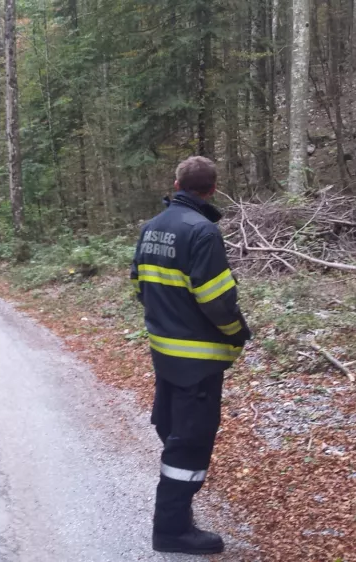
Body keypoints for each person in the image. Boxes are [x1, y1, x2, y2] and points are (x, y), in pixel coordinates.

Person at [130, 156, 251, 555]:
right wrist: (238, 334)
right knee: (190, 443)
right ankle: (172, 530)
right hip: (197, 360)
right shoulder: (202, 231)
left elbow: (140, 287)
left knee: (173, 429)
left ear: (176, 182)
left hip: (164, 352)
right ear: (212, 189)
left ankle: (177, 517)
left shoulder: (151, 228)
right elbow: (217, 300)